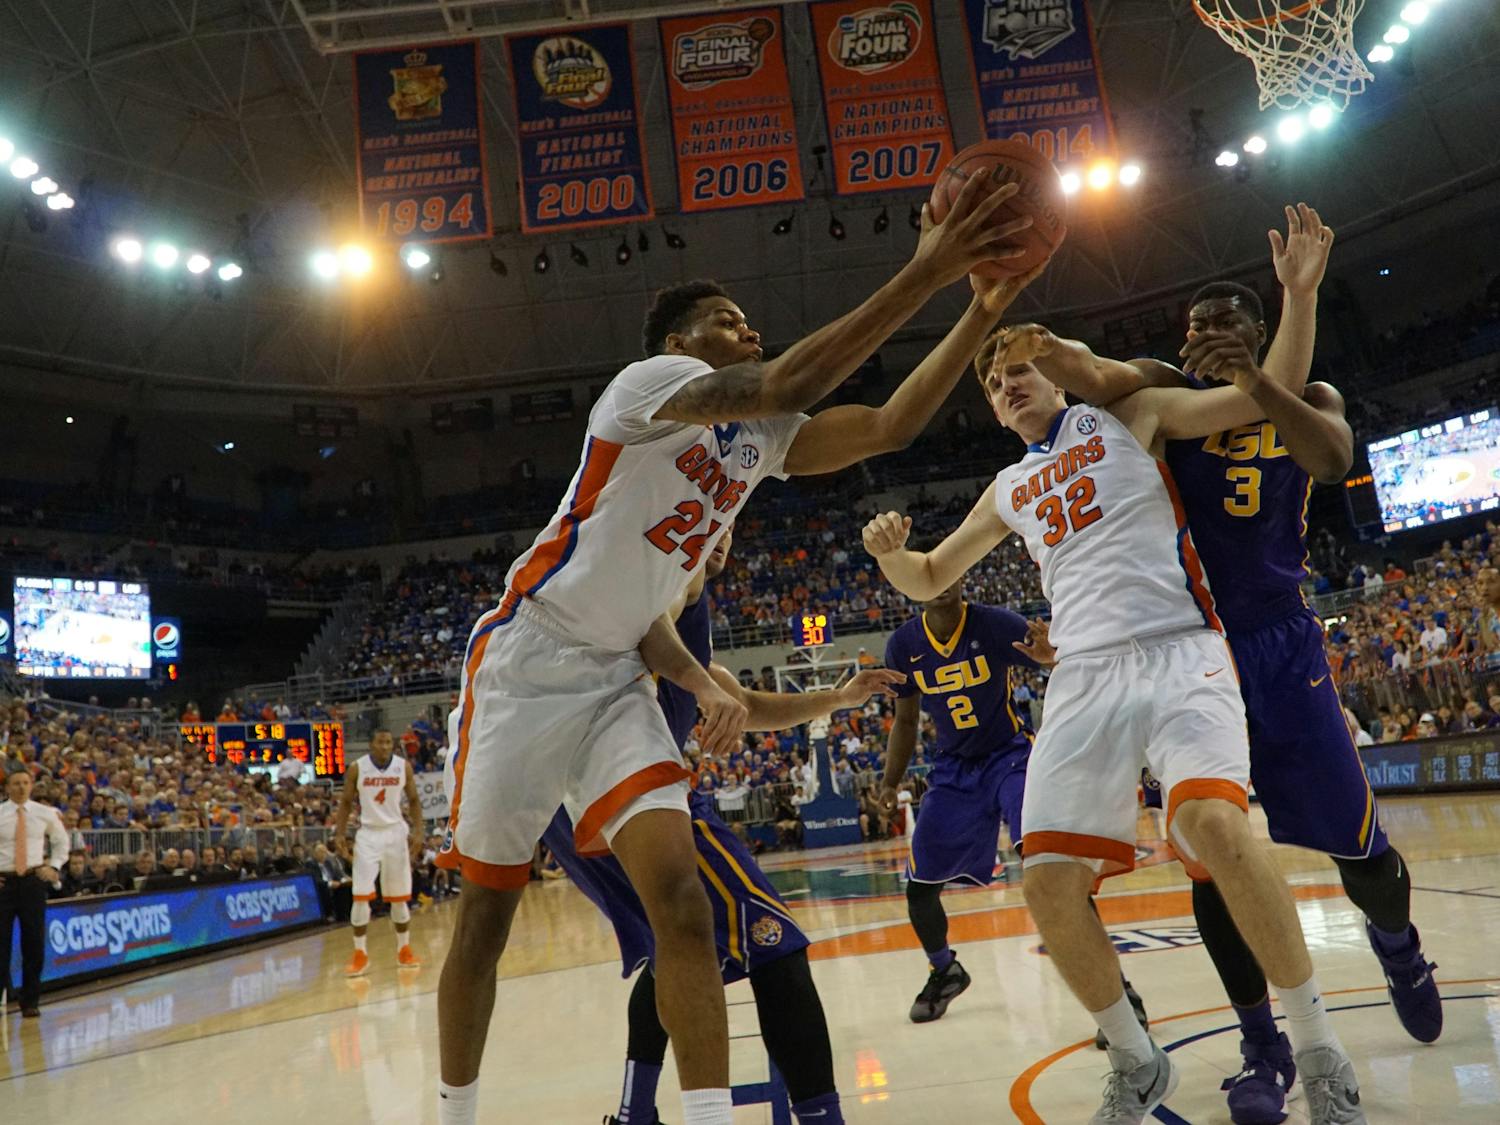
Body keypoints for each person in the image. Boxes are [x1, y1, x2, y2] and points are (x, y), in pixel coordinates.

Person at [432, 171, 1041, 1125]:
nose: (748, 328)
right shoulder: (651, 389)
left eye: (749, 320)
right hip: (528, 658)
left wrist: (978, 307)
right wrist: (927, 268)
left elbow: (888, 425)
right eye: (728, 317)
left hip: (615, 681)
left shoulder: (761, 436)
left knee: (684, 902)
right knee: (486, 917)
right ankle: (452, 1114)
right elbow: (789, 377)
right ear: (681, 346)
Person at [862, 326, 1364, 1123]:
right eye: (995, 384)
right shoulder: (1007, 487)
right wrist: (889, 552)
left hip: (1177, 650)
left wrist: (1299, 299)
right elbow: (928, 573)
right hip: (1083, 677)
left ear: (1057, 378)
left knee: (1216, 827)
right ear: (993, 413)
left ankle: (1319, 1051)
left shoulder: (1130, 415)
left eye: (1021, 369)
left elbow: (1260, 394)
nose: (1009, 383)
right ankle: (1135, 1059)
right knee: (1047, 882)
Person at [1028, 205, 1437, 1122]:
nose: (1205, 336)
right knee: (1210, 857)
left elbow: (1330, 461)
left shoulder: (1308, 393)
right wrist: (1043, 345)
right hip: (1189, 654)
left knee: (1355, 843)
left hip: (1282, 640)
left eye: (1227, 324)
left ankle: (1399, 942)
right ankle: (1264, 1046)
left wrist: (1265, 363)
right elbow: (1098, 373)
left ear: (1260, 334)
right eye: (1195, 327)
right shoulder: (1160, 402)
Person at [545, 531, 901, 1125]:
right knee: (778, 948)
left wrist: (837, 699)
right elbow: (676, 624)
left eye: (730, 523)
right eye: (711, 517)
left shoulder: (684, 637)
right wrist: (707, 687)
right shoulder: (671, 581)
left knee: (671, 951)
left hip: (581, 806)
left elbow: (747, 703)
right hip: (624, 795)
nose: (721, 532)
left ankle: (636, 1114)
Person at [878, 553, 1042, 1021]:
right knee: (919, 887)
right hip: (953, 769)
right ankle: (945, 969)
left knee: (1047, 867)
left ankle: (1113, 989)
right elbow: (905, 720)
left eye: (946, 569)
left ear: (962, 575)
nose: (939, 580)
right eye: (925, 575)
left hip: (1010, 756)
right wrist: (890, 781)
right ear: (908, 587)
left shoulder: (995, 625)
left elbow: (1058, 661)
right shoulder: (903, 645)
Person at [334, 729, 423, 975]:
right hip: (368, 834)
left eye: (389, 742)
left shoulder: (402, 767)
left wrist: (419, 832)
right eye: (381, 742)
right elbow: (345, 802)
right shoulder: (357, 768)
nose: (385, 747)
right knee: (361, 895)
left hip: (396, 832)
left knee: (399, 897)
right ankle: (360, 953)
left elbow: (414, 800)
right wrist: (340, 833)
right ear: (371, 744)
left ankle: (404, 950)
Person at [0, 770, 68, 1017]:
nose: (21, 787)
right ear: (8, 787)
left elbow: (61, 841)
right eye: (16, 783)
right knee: (1, 945)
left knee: (34, 943)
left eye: (26, 783)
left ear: (31, 786)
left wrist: (54, 866)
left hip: (32, 880)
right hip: (4, 883)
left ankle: (30, 1001)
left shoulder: (44, 813)